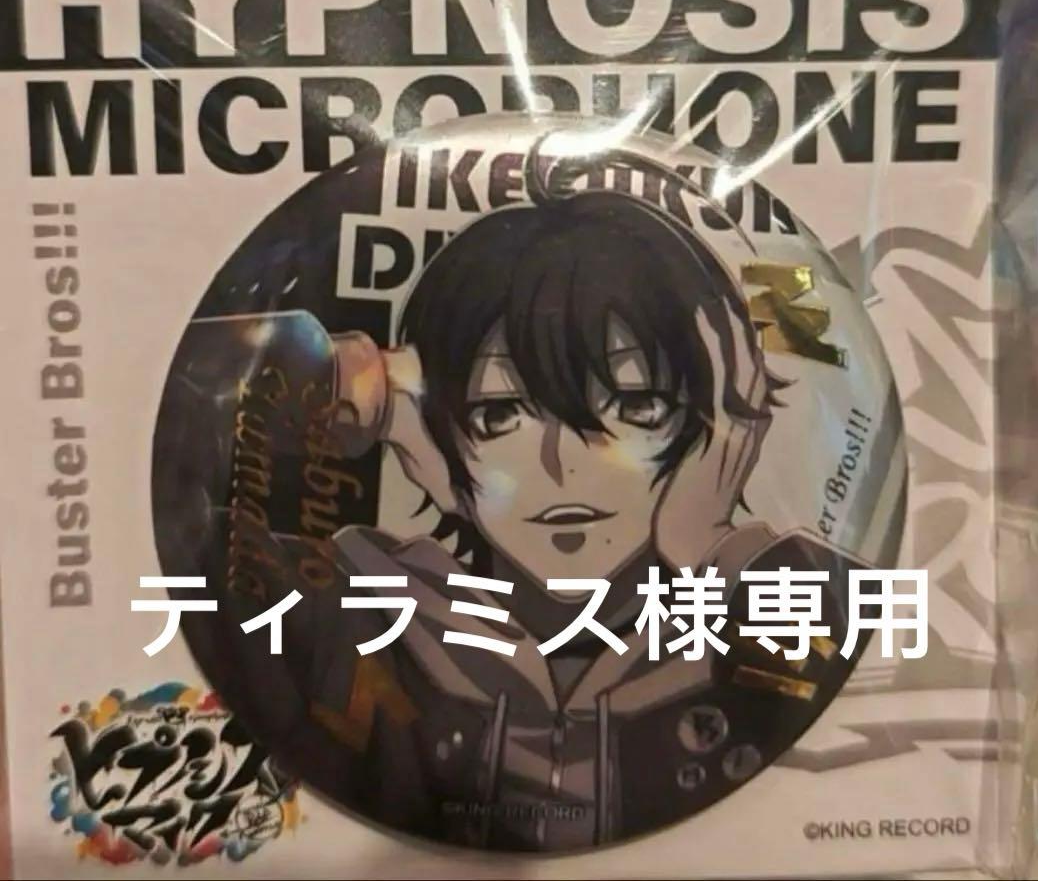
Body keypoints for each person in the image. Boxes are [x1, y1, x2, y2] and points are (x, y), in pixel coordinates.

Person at [309, 156, 868, 851]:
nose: (563, 466)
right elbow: (186, 400)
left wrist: (710, 542)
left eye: (635, 406)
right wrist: (349, 375)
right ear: (433, 426)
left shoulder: (769, 613)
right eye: (499, 414)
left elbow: (870, 707)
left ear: (715, 418)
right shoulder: (356, 598)